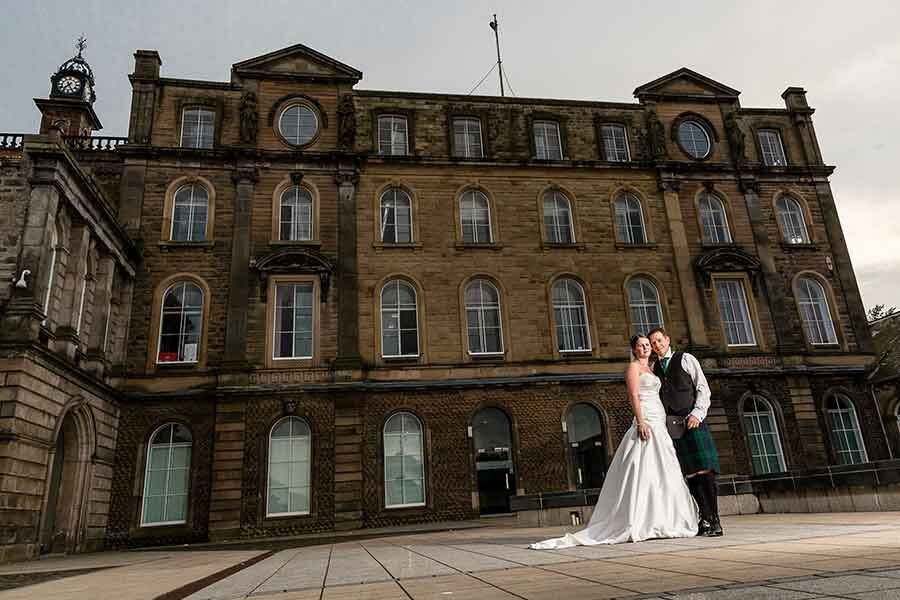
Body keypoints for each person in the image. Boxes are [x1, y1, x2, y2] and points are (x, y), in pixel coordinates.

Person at [530, 334, 698, 549]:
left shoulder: (654, 368)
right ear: (634, 350)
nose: (646, 348)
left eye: (648, 345)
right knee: (642, 465)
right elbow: (634, 396)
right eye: (641, 346)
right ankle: (639, 519)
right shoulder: (633, 368)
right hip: (646, 417)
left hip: (659, 418)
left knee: (664, 468)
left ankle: (665, 517)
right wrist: (640, 421)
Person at [647, 327, 723, 537]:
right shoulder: (655, 368)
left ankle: (715, 519)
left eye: (659, 341)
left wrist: (697, 414)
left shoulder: (686, 358)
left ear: (667, 339)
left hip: (693, 419)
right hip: (673, 425)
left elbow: (702, 388)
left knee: (704, 470)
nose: (656, 345)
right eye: (653, 343)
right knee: (689, 473)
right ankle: (704, 517)